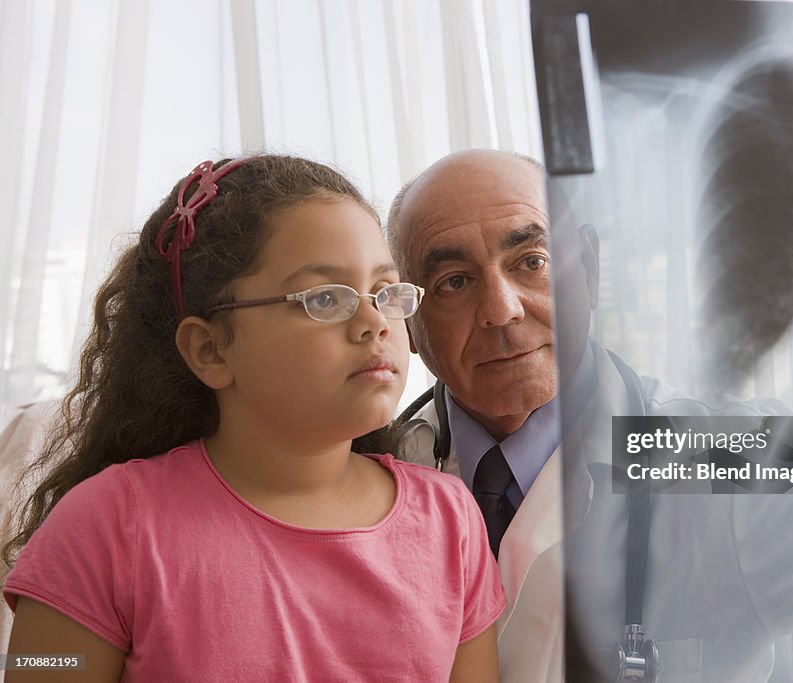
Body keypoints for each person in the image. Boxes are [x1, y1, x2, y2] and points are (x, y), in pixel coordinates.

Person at [386, 149, 793, 682]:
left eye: (532, 261)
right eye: (454, 282)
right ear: (405, 318)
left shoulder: (731, 464)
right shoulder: (365, 469)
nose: (502, 310)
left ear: (593, 267)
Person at [1, 154, 505, 682]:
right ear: (210, 349)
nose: (374, 322)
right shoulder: (101, 527)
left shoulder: (452, 521)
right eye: (325, 298)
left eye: (385, 292)